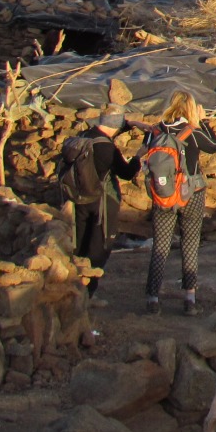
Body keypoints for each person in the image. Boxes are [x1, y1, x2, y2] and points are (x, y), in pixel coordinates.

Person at [143, 91, 216, 317]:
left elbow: (149, 154)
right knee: (190, 243)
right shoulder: (193, 132)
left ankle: (153, 298)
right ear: (191, 108)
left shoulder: (156, 131)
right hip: (192, 193)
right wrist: (203, 122)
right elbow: (215, 147)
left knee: (160, 246)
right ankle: (189, 298)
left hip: (164, 194)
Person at [65, 106, 140, 306]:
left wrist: (128, 125)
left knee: (79, 243)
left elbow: (108, 130)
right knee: (99, 246)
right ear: (116, 124)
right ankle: (88, 293)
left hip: (80, 198)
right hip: (101, 201)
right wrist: (139, 157)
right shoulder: (107, 148)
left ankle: (74, 286)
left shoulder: (84, 136)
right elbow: (126, 172)